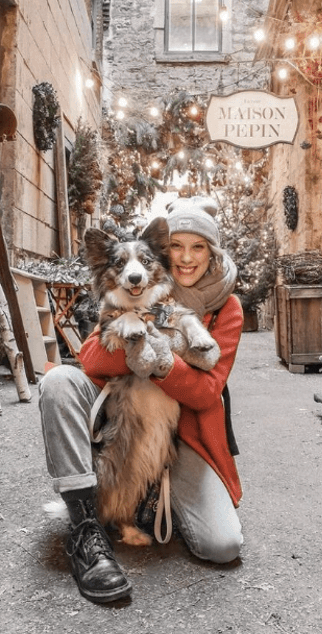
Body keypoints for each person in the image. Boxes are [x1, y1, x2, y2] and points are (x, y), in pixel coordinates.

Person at [39, 196, 244, 603]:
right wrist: (133, 339)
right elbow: (91, 358)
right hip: (127, 412)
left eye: (198, 247)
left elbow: (205, 393)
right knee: (59, 380)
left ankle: (153, 501)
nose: (185, 258)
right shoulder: (131, 296)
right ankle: (84, 524)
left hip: (186, 436)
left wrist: (162, 362)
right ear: (165, 253)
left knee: (223, 546)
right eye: (177, 247)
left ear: (212, 252)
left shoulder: (226, 309)